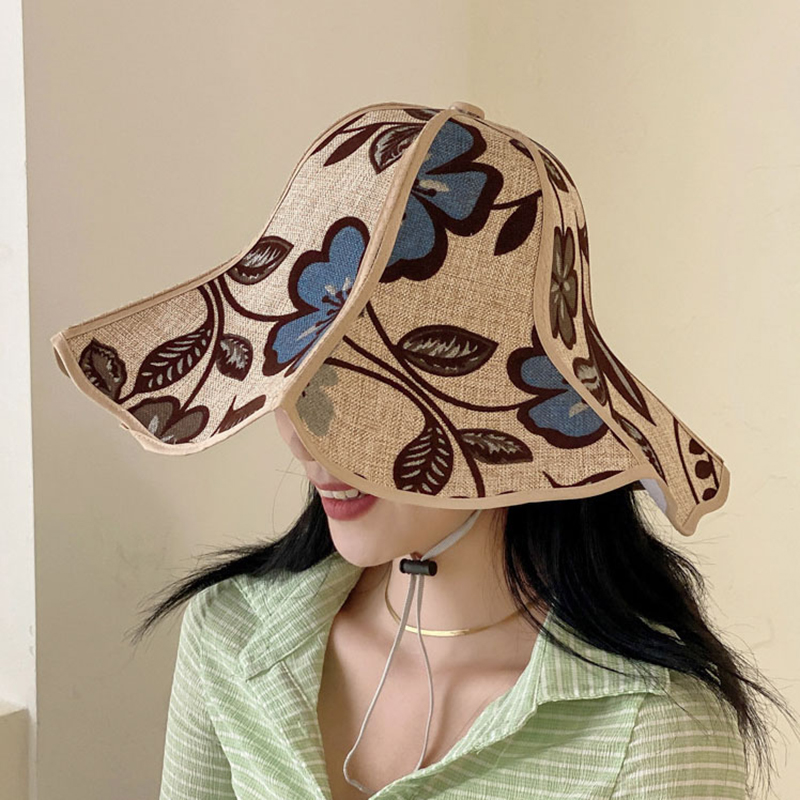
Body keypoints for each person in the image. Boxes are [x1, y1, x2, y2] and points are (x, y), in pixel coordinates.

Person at [50, 100, 795, 798]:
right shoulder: (230, 635)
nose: (307, 445)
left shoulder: (655, 730)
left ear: (513, 427)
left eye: (364, 402)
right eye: (294, 383)